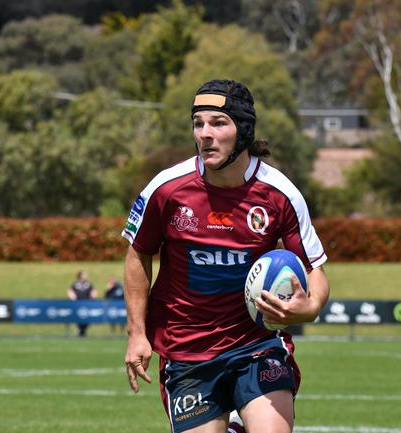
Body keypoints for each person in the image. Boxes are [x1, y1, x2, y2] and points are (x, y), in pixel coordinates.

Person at [121, 79, 330, 433]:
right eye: (198, 123)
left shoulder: (280, 194)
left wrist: (309, 308)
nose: (205, 134)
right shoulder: (166, 189)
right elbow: (138, 254)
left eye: (218, 123)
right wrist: (137, 333)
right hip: (186, 351)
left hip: (257, 344)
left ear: (243, 130)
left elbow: (314, 270)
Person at [67, 270, 97, 337]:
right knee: (78, 318)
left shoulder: (88, 284)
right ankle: (80, 331)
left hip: (86, 304)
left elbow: (93, 291)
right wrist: (72, 297)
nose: (86, 276)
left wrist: (92, 297)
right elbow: (70, 291)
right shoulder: (75, 284)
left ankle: (82, 331)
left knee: (86, 319)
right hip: (78, 304)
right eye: (84, 274)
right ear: (80, 276)